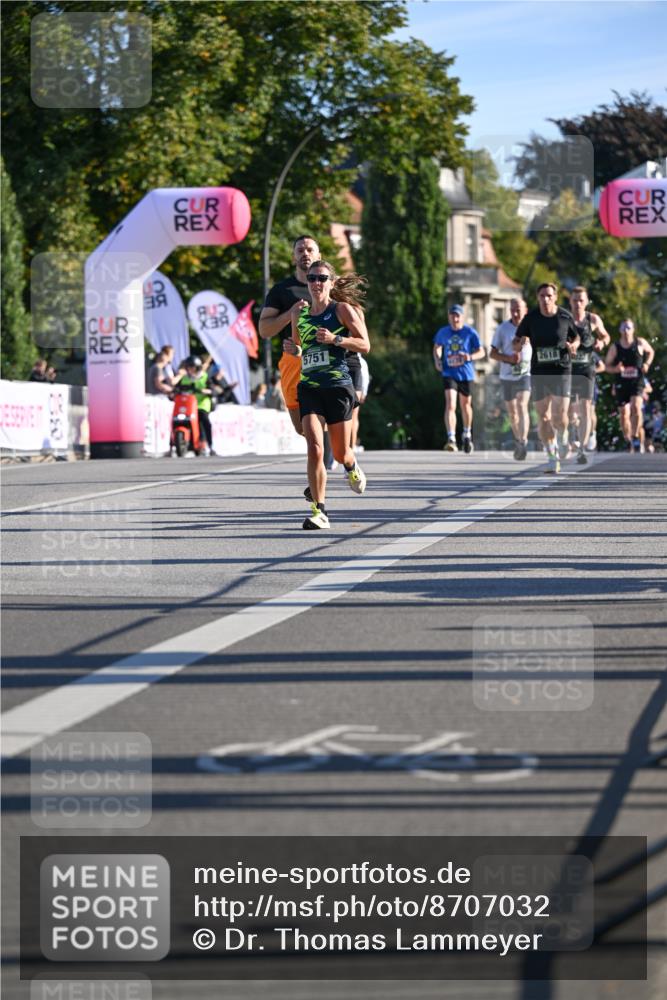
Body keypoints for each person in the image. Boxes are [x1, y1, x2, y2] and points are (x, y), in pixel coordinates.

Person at [284, 260, 369, 530]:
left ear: (331, 282)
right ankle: (319, 511)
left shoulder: (341, 310)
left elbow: (365, 344)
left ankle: (351, 465)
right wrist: (292, 349)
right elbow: (301, 348)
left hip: (337, 387)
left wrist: (336, 339)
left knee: (342, 451)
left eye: (322, 278)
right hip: (309, 386)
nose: (316, 283)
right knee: (315, 447)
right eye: (312, 278)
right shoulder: (300, 313)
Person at [259, 234, 335, 476]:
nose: (305, 253)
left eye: (310, 249)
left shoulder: (331, 283)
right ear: (293, 256)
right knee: (301, 426)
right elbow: (264, 330)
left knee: (320, 417)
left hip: (324, 358)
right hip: (293, 361)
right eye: (300, 249)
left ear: (319, 255)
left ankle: (322, 462)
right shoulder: (282, 290)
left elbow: (349, 316)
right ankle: (322, 451)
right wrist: (289, 314)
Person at [512, 283, 580, 474]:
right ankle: (552, 456)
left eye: (549, 296)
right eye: (542, 296)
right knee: (543, 416)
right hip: (540, 372)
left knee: (560, 414)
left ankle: (564, 436)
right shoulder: (531, 318)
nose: (545, 299)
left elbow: (576, 338)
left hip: (561, 371)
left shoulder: (565, 316)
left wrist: (573, 346)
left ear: (555, 297)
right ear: (537, 297)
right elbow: (515, 344)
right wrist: (519, 343)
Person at [432, 304, 485, 453]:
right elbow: (437, 347)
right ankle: (451, 438)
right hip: (449, 372)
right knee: (450, 403)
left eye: (457, 316)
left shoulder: (470, 332)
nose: (455, 318)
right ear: (449, 317)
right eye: (452, 315)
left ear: (462, 317)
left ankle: (467, 434)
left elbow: (481, 351)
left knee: (466, 405)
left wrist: (469, 356)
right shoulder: (443, 332)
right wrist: (437, 359)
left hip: (466, 374)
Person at [568, 286, 610, 464]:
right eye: (575, 300)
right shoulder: (563, 319)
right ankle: (570, 440)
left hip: (586, 370)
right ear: (571, 301)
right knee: (569, 413)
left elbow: (606, 336)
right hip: (567, 371)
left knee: (585, 409)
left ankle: (582, 449)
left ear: (586, 302)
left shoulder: (593, 319)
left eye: (581, 300)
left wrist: (601, 342)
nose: (578, 303)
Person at [605, 318, 655, 452]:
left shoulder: (640, 342)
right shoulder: (615, 347)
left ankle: (635, 438)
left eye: (628, 328)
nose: (626, 331)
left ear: (633, 330)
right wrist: (616, 369)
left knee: (636, 407)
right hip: (622, 383)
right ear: (620, 330)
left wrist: (646, 364)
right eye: (623, 328)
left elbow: (651, 352)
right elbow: (607, 366)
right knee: (623, 413)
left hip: (637, 381)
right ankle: (627, 439)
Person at [490, 298, 530, 460]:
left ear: (525, 310)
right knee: (512, 413)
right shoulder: (502, 329)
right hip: (507, 375)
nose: (515, 313)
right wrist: (508, 359)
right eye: (513, 309)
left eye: (518, 309)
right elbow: (492, 353)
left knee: (522, 405)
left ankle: (523, 442)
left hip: (526, 374)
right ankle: (518, 439)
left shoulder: (531, 326)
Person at [172, 355, 215, 455]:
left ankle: (209, 444)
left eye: (192, 367)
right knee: (176, 419)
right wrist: (173, 392)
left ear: (197, 367)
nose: (190, 369)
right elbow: (177, 388)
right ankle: (173, 444)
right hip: (187, 406)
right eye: (188, 367)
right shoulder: (185, 378)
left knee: (204, 421)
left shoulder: (204, 376)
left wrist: (206, 391)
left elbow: (212, 390)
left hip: (201, 405)